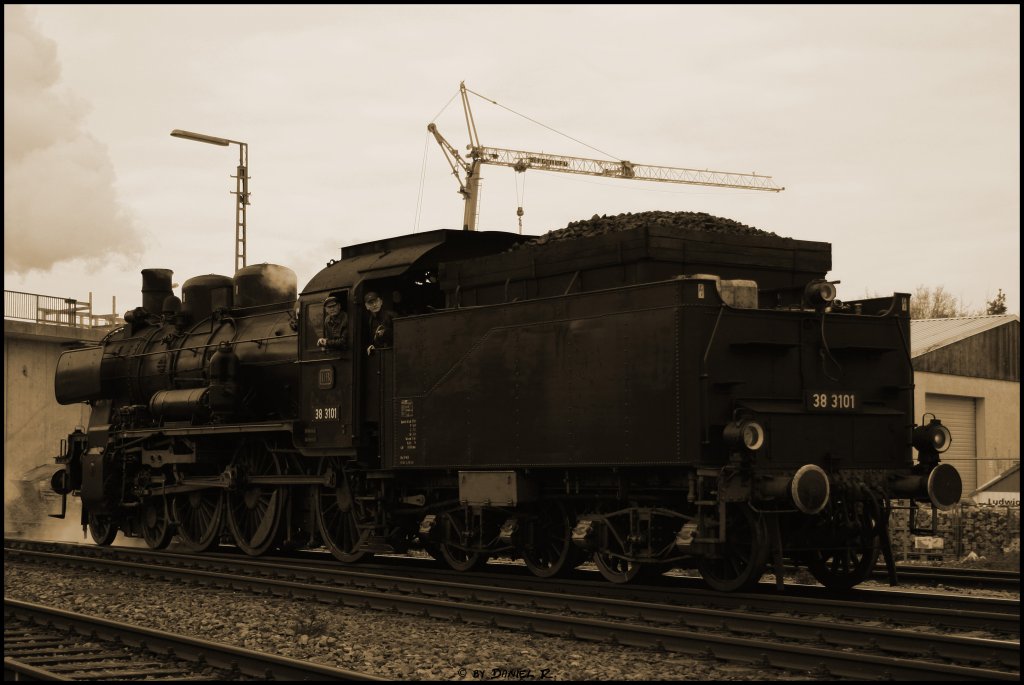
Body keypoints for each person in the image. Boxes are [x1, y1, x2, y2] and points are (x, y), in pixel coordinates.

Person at [364, 291, 395, 355]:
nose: (374, 304)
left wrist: (386, 332)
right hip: (380, 354)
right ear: (367, 306)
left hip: (393, 352)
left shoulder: (391, 315)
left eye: (376, 301)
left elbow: (401, 334)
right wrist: (372, 346)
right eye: (371, 303)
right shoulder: (370, 321)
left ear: (381, 302)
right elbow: (373, 339)